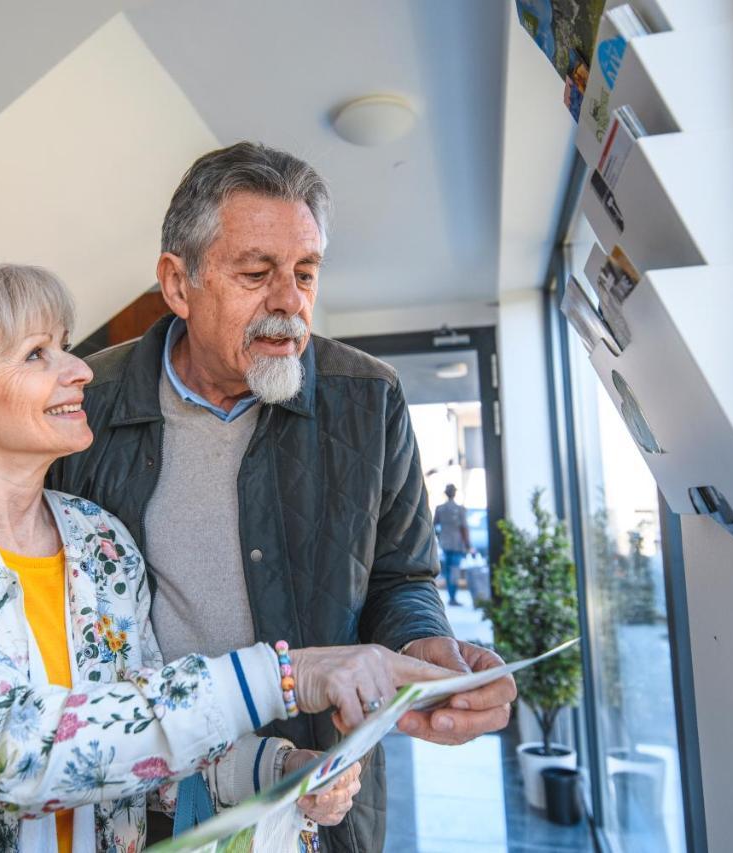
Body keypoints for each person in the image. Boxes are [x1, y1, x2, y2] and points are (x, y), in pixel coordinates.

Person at [0, 264, 457, 852]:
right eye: (38, 354)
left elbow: (140, 737)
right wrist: (285, 675)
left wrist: (278, 768)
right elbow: (12, 751)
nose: (81, 370)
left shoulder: (101, 542)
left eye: (64, 344)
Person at [48, 142, 518, 853]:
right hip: (136, 802)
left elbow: (403, 575)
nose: (289, 302)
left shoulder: (370, 398)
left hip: (315, 798)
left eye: (304, 272)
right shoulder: (86, 404)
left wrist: (426, 646)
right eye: (256, 273)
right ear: (179, 284)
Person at [433, 483, 473, 606]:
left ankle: (451, 596)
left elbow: (434, 525)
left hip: (445, 543)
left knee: (449, 570)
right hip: (457, 544)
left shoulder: (440, 508)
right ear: (454, 493)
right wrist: (468, 545)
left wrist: (440, 536)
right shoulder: (460, 509)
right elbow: (464, 528)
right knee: (454, 571)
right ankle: (452, 597)